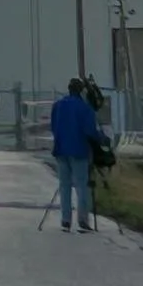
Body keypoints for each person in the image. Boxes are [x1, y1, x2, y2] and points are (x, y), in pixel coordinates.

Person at [49, 78, 106, 233]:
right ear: (81, 90)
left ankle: (66, 220)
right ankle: (82, 219)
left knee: (64, 185)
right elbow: (90, 132)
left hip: (61, 149)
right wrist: (102, 138)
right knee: (82, 186)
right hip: (79, 150)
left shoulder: (58, 105)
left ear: (68, 89)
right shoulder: (85, 108)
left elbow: (53, 127)